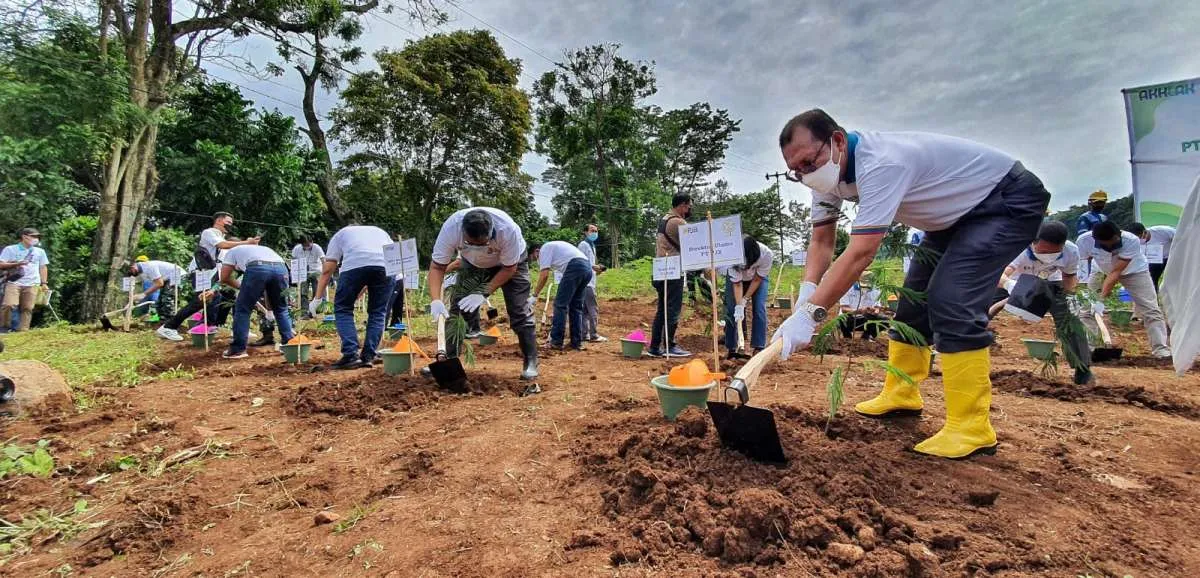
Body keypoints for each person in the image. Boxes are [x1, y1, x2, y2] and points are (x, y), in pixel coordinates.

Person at [773, 108, 1050, 459]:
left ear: (838, 141)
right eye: (796, 171)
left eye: (809, 164)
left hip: (1003, 202)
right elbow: (822, 241)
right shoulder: (826, 177)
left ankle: (972, 426)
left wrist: (811, 316)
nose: (805, 175)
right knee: (912, 302)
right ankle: (902, 393)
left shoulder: (882, 164)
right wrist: (807, 293)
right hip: (950, 219)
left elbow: (860, 252)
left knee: (951, 300)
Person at [426, 208, 539, 380]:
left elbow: (509, 269)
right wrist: (435, 300)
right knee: (456, 310)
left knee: (519, 310)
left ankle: (531, 360)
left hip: (510, 264)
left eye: (482, 244)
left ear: (491, 232)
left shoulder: (507, 231)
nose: (478, 247)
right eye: (472, 244)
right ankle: (448, 360)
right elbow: (437, 267)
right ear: (463, 233)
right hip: (472, 264)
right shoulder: (451, 229)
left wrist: (483, 292)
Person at [992, 221, 1093, 385]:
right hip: (1013, 281)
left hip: (1050, 284)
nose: (1048, 256)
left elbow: (1069, 276)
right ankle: (961, 346)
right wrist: (1009, 285)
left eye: (1054, 252)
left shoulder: (1071, 250)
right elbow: (999, 274)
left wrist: (1071, 295)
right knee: (979, 308)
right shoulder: (1019, 246)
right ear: (1034, 242)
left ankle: (1082, 368)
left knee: (1070, 321)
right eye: (1044, 251)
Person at [156, 213, 259, 341]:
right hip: (201, 272)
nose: (231, 225)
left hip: (211, 274)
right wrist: (247, 242)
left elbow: (222, 265)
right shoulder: (209, 233)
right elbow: (222, 244)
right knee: (202, 300)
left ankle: (213, 326)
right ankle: (169, 327)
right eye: (229, 222)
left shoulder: (224, 241)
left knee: (224, 296)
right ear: (219, 220)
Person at [1077, 221, 1170, 358]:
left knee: (1151, 309)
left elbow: (1116, 272)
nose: (1111, 246)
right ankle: (1091, 347)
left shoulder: (1131, 240)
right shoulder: (1084, 241)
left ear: (1119, 234)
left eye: (1114, 242)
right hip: (1099, 269)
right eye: (1106, 243)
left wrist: (1101, 299)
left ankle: (1161, 349)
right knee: (1086, 310)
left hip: (1135, 271)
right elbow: (1083, 268)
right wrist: (1087, 295)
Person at [310, 225, 394, 369]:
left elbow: (328, 269)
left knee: (343, 308)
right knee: (378, 312)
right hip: (385, 268)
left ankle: (350, 354)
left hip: (354, 267)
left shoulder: (341, 234)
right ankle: (369, 355)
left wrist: (317, 298)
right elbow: (394, 257)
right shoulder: (380, 231)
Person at [217, 244, 294, 359]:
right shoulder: (261, 249)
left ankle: (238, 350)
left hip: (257, 268)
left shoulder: (230, 252)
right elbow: (268, 288)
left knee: (243, 309)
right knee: (281, 308)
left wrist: (241, 287)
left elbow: (224, 277)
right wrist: (269, 310)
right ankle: (289, 344)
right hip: (281, 267)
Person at [650, 194, 694, 358]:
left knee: (662, 309)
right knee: (673, 309)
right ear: (682, 205)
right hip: (673, 269)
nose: (689, 210)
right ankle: (670, 345)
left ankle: (655, 346)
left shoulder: (664, 219)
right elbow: (693, 243)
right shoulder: (678, 222)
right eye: (688, 207)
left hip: (660, 269)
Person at [531, 241, 592, 351]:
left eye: (535, 258)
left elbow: (544, 275)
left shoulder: (544, 249)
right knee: (576, 307)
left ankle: (556, 341)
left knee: (560, 305)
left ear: (536, 251)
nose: (537, 260)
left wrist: (534, 295)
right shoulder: (557, 248)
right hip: (587, 268)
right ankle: (576, 343)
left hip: (575, 267)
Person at [723, 234, 772, 356]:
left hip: (757, 279)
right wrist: (739, 305)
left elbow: (757, 280)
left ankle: (758, 347)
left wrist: (745, 299)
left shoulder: (766, 254)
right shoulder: (731, 258)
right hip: (736, 281)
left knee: (759, 307)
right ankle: (732, 347)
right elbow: (737, 284)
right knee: (731, 309)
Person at [0, 227, 50, 332]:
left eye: (37, 237)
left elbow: (43, 267)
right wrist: (17, 263)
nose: (36, 238)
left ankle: (23, 331)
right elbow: (1, 264)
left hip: (32, 283)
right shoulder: (10, 249)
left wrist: (44, 283)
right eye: (33, 236)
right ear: (24, 236)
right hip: (14, 281)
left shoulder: (40, 251)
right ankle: (5, 327)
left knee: (28, 308)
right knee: (9, 304)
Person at [577, 224, 607, 342]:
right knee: (593, 308)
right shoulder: (583, 245)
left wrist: (597, 270)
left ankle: (585, 334)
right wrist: (595, 267)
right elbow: (581, 262)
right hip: (587, 282)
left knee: (584, 310)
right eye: (592, 230)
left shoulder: (592, 246)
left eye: (596, 231)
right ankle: (593, 334)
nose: (594, 233)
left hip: (589, 280)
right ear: (585, 232)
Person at [838, 271, 885, 340]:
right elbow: (844, 309)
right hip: (850, 319)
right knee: (842, 319)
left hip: (866, 319)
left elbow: (877, 307)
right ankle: (847, 338)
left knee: (885, 321)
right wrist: (859, 311)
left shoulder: (876, 291)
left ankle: (866, 337)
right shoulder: (847, 288)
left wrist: (875, 311)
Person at [1127, 222, 1175, 287]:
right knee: (1151, 279)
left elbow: (1180, 239)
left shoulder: (1163, 231)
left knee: (1173, 277)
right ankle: (1154, 294)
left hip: (1171, 256)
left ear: (1145, 232)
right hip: (1154, 260)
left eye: (1141, 237)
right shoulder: (1133, 241)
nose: (1141, 240)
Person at [291, 236, 325, 316]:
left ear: (312, 242)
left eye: (308, 245)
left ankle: (315, 309)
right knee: (303, 291)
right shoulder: (297, 249)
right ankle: (304, 311)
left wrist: (324, 272)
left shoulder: (317, 247)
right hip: (303, 272)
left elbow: (323, 260)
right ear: (301, 244)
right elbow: (293, 260)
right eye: (305, 245)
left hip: (316, 271)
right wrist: (294, 272)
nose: (307, 247)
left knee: (317, 290)